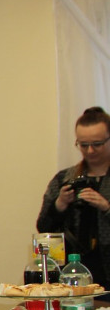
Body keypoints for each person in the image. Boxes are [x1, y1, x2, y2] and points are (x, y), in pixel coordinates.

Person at [37, 106, 110, 293]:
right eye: (83, 145)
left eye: (97, 144)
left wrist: (106, 207)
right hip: (73, 274)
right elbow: (43, 228)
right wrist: (60, 205)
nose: (90, 151)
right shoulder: (64, 178)